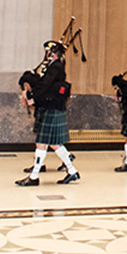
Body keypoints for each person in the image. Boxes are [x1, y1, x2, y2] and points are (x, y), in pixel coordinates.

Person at [15, 41, 80, 186]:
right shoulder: (52, 66)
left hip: (52, 107)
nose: (46, 54)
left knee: (42, 143)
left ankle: (34, 176)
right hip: (50, 107)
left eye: (48, 51)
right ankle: (72, 171)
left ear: (53, 52)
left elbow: (45, 86)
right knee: (54, 143)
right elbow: (43, 84)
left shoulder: (56, 67)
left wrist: (31, 96)